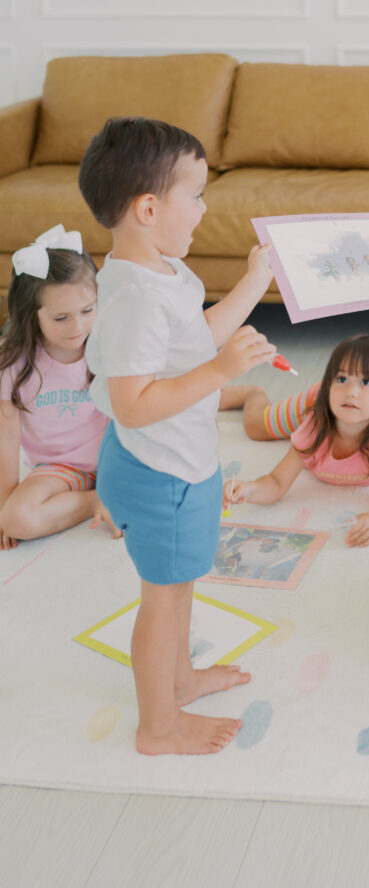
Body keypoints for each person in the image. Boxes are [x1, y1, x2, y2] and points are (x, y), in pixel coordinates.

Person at [79, 117, 275, 756]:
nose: (204, 207)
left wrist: (254, 282)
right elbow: (132, 407)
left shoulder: (162, 272)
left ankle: (180, 680)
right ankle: (156, 725)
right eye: (195, 195)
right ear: (147, 208)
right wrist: (220, 374)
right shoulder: (135, 296)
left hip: (181, 463)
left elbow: (196, 335)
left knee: (181, 583)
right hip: (156, 469)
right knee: (160, 601)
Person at [224, 335, 369, 548]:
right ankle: (252, 392)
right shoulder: (314, 425)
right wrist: (250, 489)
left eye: (365, 382)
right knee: (256, 427)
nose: (351, 392)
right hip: (318, 403)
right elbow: (277, 482)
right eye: (342, 379)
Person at [0, 224, 120, 548]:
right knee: (16, 518)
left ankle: (113, 492)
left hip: (118, 458)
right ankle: (96, 499)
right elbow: (7, 436)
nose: (78, 327)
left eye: (87, 311)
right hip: (60, 471)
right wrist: (5, 507)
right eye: (61, 318)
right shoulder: (14, 364)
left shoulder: (109, 344)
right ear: (31, 315)